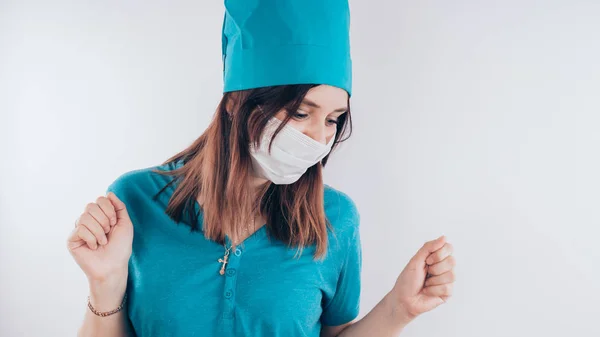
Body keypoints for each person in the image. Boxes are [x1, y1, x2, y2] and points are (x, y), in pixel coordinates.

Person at [67, 1, 456, 336]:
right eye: (301, 112)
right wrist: (105, 283)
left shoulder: (335, 219)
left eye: (334, 119)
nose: (319, 138)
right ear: (238, 104)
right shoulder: (136, 201)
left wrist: (398, 309)